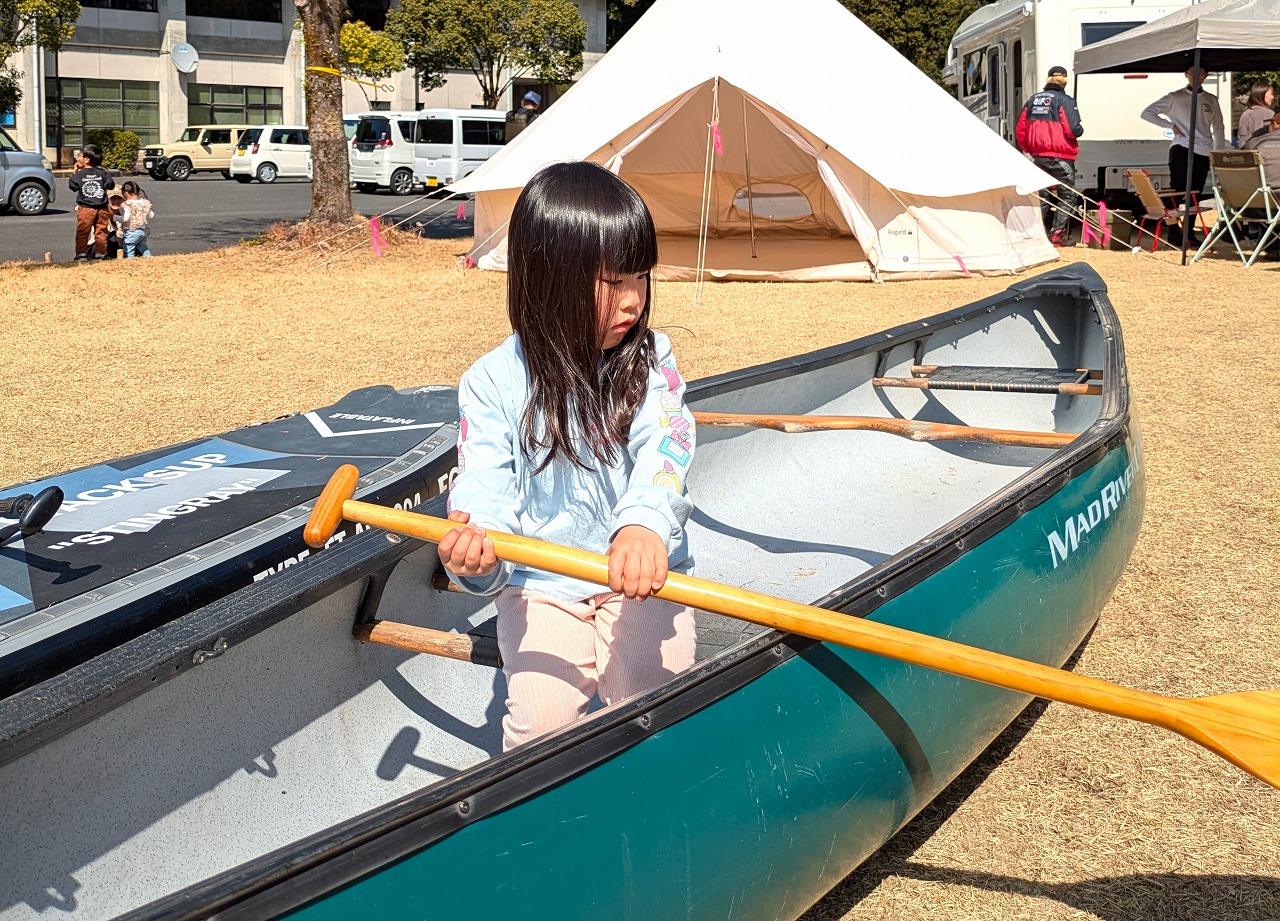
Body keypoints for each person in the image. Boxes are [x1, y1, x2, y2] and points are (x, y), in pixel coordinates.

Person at [438, 161, 696, 752]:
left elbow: (667, 442)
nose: (633, 300)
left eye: (641, 277)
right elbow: (484, 482)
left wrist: (643, 525)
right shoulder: (491, 381)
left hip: (641, 575)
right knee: (541, 730)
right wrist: (478, 554)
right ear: (548, 280)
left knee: (649, 705)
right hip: (540, 582)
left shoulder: (651, 359)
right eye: (612, 282)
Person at [1140, 67, 1225, 244]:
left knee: (1196, 193)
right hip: (1182, 147)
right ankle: (1173, 231)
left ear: (1205, 76)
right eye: (1192, 72)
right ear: (1186, 75)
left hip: (1203, 150)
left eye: (1200, 73)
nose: (1196, 76)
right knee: (1177, 190)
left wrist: (1218, 152)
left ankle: (1189, 233)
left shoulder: (1211, 99)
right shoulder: (1175, 97)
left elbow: (1218, 127)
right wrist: (1170, 126)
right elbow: (1147, 113)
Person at [1015, 65, 1084, 247]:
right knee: (1068, 196)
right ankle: (1056, 235)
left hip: (1038, 157)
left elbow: (1020, 129)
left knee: (1042, 197)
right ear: (1065, 80)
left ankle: (1038, 234)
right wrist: (1080, 130)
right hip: (1061, 156)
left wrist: (1029, 148)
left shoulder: (1032, 101)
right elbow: (1073, 129)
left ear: (1048, 79)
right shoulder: (1066, 101)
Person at [68, 143, 115, 260]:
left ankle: (81, 253)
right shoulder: (102, 173)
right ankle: (101, 253)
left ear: (87, 160)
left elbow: (73, 186)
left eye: (79, 156)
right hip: (102, 208)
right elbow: (110, 185)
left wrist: (74, 172)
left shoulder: (80, 174)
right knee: (101, 231)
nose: (77, 158)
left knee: (83, 231)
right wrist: (108, 174)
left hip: (86, 208)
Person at [118, 181, 155, 258]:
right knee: (142, 247)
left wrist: (116, 217)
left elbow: (125, 218)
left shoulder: (127, 204)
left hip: (131, 231)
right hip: (143, 230)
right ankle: (149, 258)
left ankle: (130, 260)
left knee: (129, 248)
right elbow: (151, 215)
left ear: (126, 193)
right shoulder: (144, 203)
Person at [1238, 81, 1276, 148]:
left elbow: (1241, 138)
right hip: (1265, 151)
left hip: (1246, 151)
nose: (1272, 97)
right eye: (1270, 94)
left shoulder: (1245, 114)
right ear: (1261, 95)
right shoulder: (1269, 114)